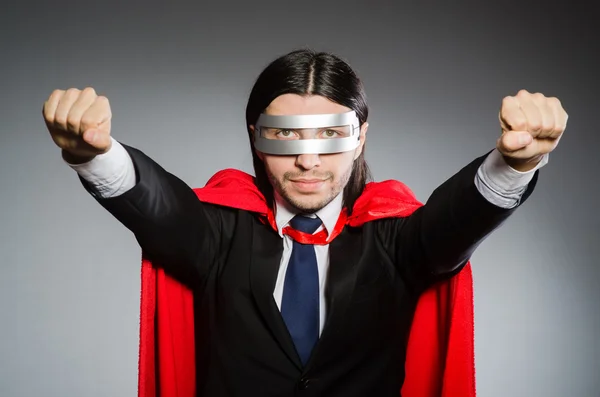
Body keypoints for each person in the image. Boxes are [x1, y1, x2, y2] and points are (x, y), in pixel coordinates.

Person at [42, 49, 567, 397]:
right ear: (255, 137)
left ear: (360, 137)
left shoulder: (395, 240)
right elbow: (164, 208)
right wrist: (96, 154)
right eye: (286, 136)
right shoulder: (220, 235)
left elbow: (455, 221)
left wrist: (515, 163)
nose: (309, 161)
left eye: (330, 136)